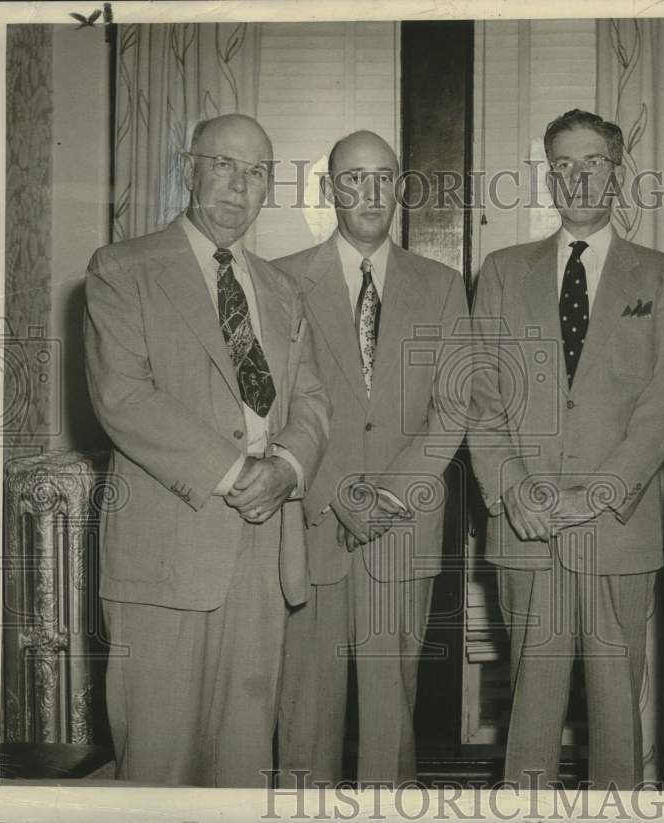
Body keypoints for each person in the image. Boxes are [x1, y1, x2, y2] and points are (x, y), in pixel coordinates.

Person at [84, 114, 331, 787]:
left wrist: (287, 466)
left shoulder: (283, 290)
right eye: (224, 164)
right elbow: (124, 398)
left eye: (256, 173)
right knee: (160, 763)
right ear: (188, 168)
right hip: (168, 552)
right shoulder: (123, 269)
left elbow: (311, 400)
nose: (239, 186)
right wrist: (237, 472)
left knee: (244, 765)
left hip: (264, 554)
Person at [468, 109, 664, 789]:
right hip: (526, 527)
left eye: (591, 162)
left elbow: (661, 413)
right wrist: (513, 489)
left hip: (614, 529)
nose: (577, 177)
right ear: (548, 176)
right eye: (562, 165)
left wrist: (593, 495)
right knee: (529, 717)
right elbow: (480, 397)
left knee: (617, 717)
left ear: (617, 172)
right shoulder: (504, 271)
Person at [276, 130, 470, 786]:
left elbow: (453, 407)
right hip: (313, 521)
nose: (368, 192)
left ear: (400, 187)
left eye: (382, 177)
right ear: (331, 189)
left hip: (401, 525)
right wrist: (337, 494)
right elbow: (278, 410)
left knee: (391, 716)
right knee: (305, 715)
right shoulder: (281, 281)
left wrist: (386, 496)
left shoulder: (441, 286)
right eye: (352, 179)